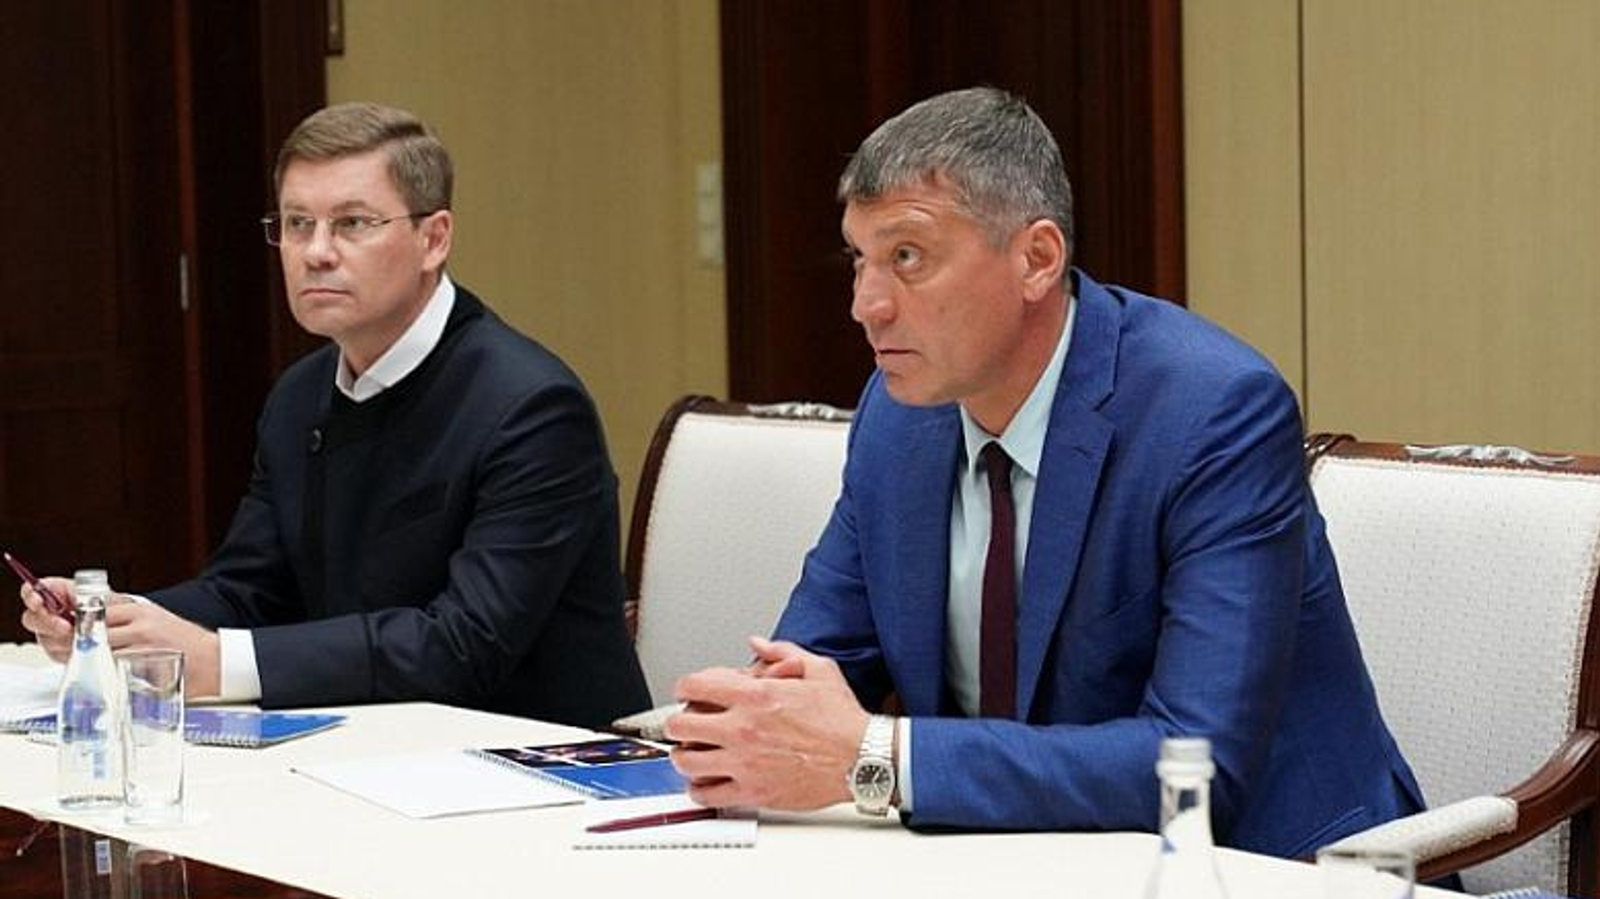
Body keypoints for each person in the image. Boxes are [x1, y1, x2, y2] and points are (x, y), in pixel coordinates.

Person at [666, 87, 1426, 858]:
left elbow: (1196, 767)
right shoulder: (898, 421)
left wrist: (881, 757)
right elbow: (811, 676)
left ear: (1036, 259)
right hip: (1015, 860)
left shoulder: (1214, 413)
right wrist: (749, 728)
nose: (867, 304)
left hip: (1267, 867)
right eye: (859, 259)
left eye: (907, 257)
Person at [19, 102, 649, 730]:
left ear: (434, 239)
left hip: (540, 757)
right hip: (372, 742)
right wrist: (115, 621)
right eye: (298, 224)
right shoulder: (300, 395)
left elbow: (464, 643)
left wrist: (217, 662)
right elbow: (250, 590)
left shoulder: (532, 408)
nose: (316, 252)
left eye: (352, 223)